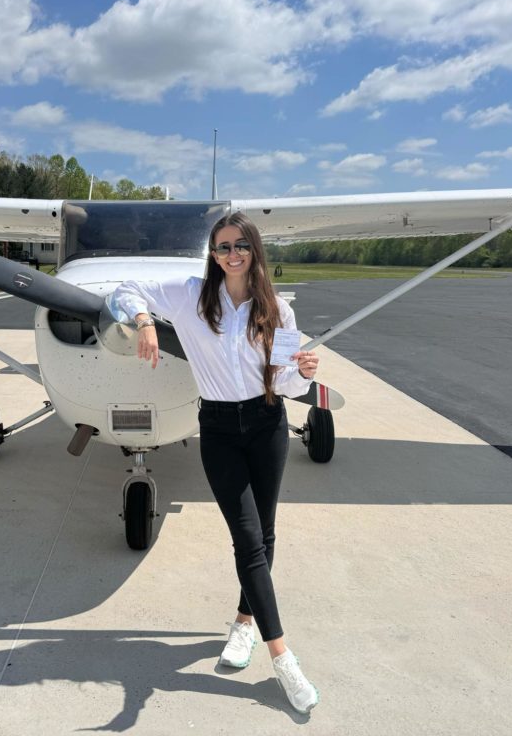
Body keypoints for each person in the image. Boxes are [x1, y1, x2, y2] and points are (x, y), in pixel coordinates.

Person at [112, 211, 321, 715]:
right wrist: (145, 322)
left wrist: (304, 373)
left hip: (268, 422)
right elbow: (125, 289)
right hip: (221, 429)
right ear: (212, 253)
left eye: (241, 245)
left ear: (254, 250)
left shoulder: (278, 311)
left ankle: (244, 623)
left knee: (264, 533)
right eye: (223, 246)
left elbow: (286, 383)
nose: (232, 254)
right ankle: (283, 657)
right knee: (247, 538)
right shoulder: (190, 296)